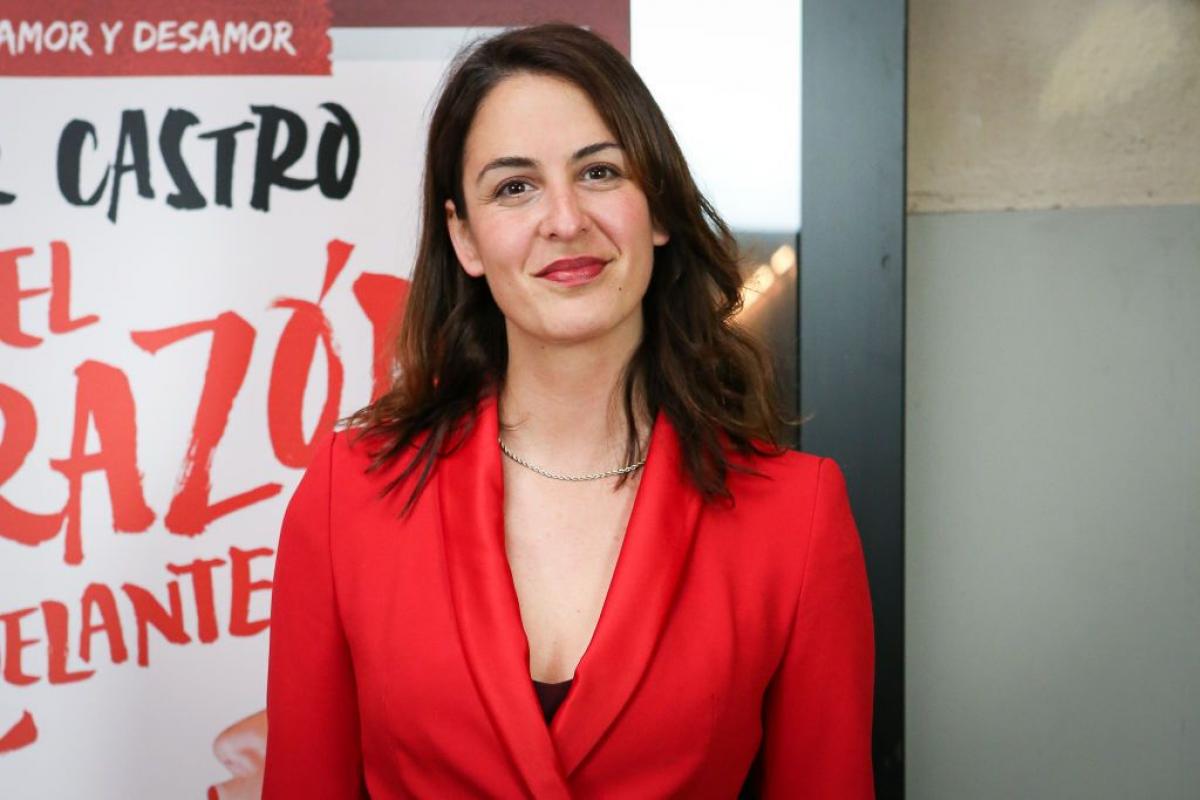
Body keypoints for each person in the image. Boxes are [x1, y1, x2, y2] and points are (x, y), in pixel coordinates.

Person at [263, 23, 874, 799]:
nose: (564, 219)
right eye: (514, 187)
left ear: (658, 210)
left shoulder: (797, 516)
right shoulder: (347, 496)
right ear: (465, 238)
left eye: (599, 172)